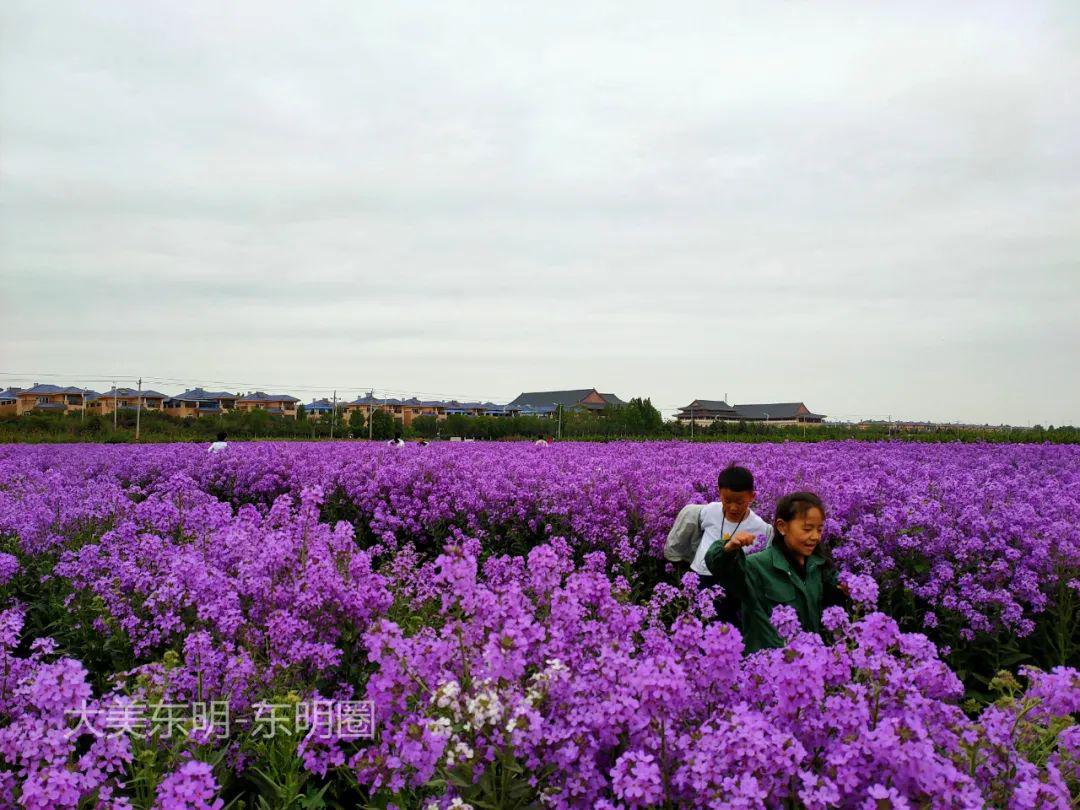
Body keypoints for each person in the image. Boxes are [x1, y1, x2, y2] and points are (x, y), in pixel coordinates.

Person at [705, 491, 850, 653]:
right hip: (770, 667)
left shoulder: (819, 565)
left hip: (810, 666)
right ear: (782, 527)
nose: (815, 537)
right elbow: (721, 569)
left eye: (820, 529)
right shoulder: (756, 566)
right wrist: (727, 550)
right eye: (807, 529)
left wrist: (845, 591)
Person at [688, 465, 773, 622]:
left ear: (752, 497)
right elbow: (700, 527)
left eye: (740, 502)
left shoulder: (760, 527)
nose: (733, 507)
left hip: (730, 582)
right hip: (701, 574)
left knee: (724, 620)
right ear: (719, 493)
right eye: (727, 501)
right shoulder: (710, 510)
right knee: (698, 618)